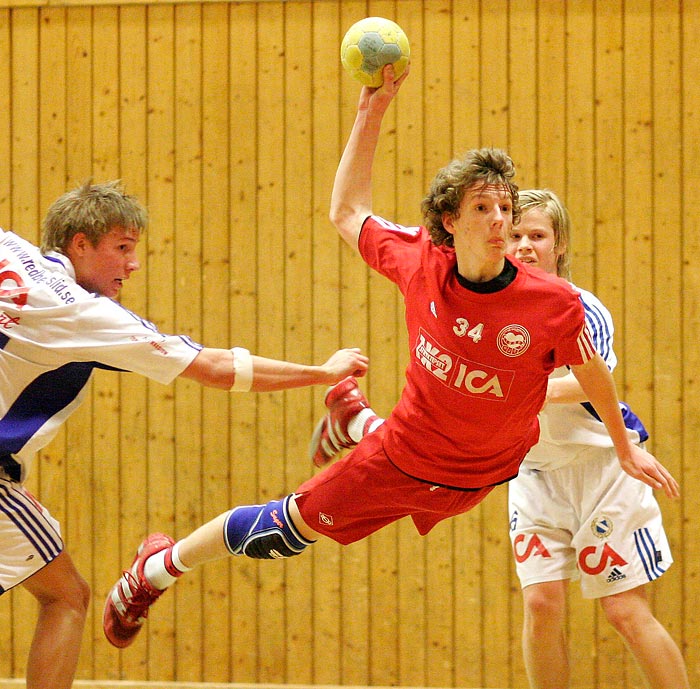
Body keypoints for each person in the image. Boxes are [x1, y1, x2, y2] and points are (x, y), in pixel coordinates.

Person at [102, 65, 678, 652]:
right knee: (280, 534)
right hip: (399, 462)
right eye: (483, 209)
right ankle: (154, 570)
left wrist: (625, 445)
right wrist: (370, 112)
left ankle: (352, 418)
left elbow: (590, 372)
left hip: (488, 473)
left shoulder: (553, 302)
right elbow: (346, 211)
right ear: (450, 222)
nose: (501, 222)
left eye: (505, 208)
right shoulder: (421, 261)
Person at [308, 189, 690, 689]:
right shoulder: (479, 305)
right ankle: (358, 422)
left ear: (560, 246)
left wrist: (515, 391)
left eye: (538, 235)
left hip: (600, 470)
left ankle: (357, 421)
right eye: (515, 235)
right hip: (533, 473)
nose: (525, 244)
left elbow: (591, 378)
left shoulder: (575, 307)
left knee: (623, 609)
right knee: (540, 602)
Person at [0, 179, 369, 689]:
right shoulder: (83, 312)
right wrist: (321, 372)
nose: (133, 264)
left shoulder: (9, 247)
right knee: (66, 597)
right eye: (122, 248)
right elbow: (216, 367)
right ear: (79, 244)